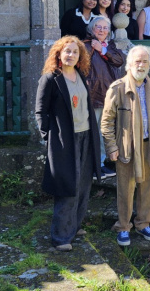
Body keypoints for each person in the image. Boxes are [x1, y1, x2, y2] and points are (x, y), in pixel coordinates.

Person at [35, 36, 101, 252]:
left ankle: (74, 226)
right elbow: (40, 112)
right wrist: (49, 137)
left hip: (86, 137)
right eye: (67, 51)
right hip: (64, 141)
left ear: (80, 56)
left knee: (83, 185)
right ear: (59, 54)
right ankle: (61, 237)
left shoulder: (81, 76)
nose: (71, 55)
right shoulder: (50, 79)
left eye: (75, 52)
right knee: (67, 187)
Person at [101, 46, 150, 246]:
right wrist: (111, 147)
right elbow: (106, 121)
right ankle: (123, 226)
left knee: (147, 187)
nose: (141, 65)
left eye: (144, 61)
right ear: (129, 64)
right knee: (126, 189)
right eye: (137, 61)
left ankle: (143, 223)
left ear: (149, 64)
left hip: (149, 144)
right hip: (126, 148)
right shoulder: (118, 88)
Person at [85, 16, 125, 178]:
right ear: (92, 29)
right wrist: (95, 48)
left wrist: (103, 50)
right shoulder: (86, 45)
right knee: (96, 131)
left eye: (105, 28)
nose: (102, 30)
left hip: (111, 95)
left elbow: (119, 61)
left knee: (108, 130)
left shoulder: (111, 47)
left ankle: (105, 160)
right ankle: (96, 164)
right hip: (95, 95)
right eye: (98, 27)